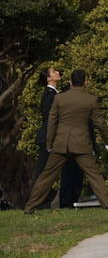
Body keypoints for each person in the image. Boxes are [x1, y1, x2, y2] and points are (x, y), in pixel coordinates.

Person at [24, 70, 108, 213]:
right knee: (94, 175)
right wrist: (107, 141)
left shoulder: (59, 99)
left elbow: (52, 122)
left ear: (71, 82)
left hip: (61, 143)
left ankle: (30, 207)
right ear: (85, 82)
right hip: (82, 143)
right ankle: (107, 204)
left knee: (47, 176)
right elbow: (100, 123)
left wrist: (49, 142)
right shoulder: (91, 99)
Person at [34, 68, 83, 209]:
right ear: (49, 78)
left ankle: (60, 201)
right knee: (43, 172)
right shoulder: (49, 95)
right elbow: (49, 118)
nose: (58, 73)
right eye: (54, 71)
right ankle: (38, 203)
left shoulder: (56, 94)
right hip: (48, 139)